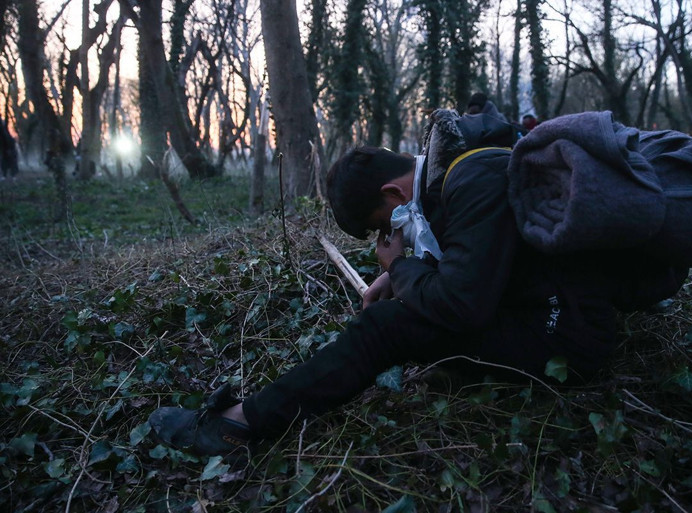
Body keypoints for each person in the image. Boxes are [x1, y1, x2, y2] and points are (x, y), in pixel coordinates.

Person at [148, 110, 620, 456]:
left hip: (568, 334)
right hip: (545, 308)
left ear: (393, 193)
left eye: (380, 226)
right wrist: (400, 276)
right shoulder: (451, 173)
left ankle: (239, 425)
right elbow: (475, 262)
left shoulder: (472, 180)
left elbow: (461, 304)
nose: (386, 236)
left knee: (385, 329)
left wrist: (399, 268)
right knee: (400, 317)